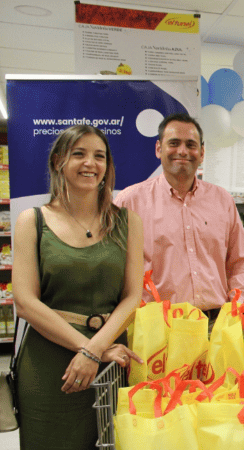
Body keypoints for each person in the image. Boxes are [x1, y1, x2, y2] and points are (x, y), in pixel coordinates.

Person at [12, 125, 144, 449]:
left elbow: (132, 298)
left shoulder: (128, 222)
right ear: (58, 161)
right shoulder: (33, 221)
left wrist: (95, 350)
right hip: (49, 364)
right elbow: (25, 302)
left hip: (110, 360)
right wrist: (86, 350)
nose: (90, 163)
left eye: (99, 156)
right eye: (79, 154)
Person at [114, 113, 244, 328]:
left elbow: (240, 261)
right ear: (158, 149)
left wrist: (238, 305)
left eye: (191, 145)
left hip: (216, 325)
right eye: (174, 143)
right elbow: (113, 268)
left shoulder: (222, 200)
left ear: (202, 152)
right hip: (157, 327)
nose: (182, 151)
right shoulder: (129, 202)